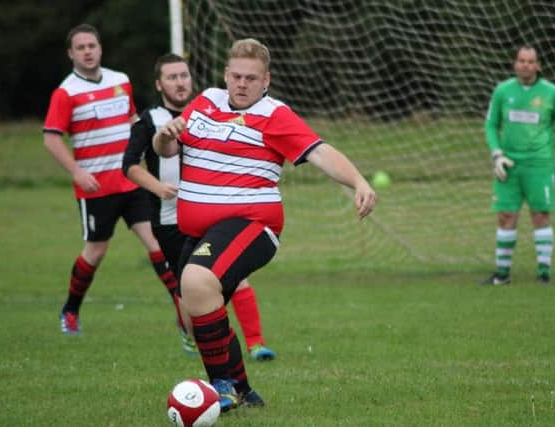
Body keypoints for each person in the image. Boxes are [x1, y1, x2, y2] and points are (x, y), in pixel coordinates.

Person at [152, 38, 376, 412]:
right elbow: (167, 149)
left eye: (251, 78)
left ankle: (221, 386)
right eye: (236, 76)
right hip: (199, 231)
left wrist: (359, 182)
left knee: (196, 282)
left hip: (252, 225)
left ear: (266, 79)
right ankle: (242, 391)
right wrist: (164, 135)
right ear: (226, 75)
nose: (242, 84)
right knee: (194, 312)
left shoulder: (275, 115)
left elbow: (320, 152)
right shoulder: (205, 101)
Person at [122, 53, 276, 360]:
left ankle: (256, 344)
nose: (180, 83)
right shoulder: (150, 119)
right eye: (171, 77)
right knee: (188, 290)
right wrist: (159, 188)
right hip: (170, 220)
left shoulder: (210, 111)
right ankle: (201, 340)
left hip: (215, 214)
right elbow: (130, 165)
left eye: (183, 76)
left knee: (233, 277)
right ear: (159, 84)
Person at [43, 24, 182, 335]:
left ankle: (183, 310)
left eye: (92, 45)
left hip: (132, 182)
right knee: (96, 251)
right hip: (96, 187)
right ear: (71, 54)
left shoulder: (121, 81)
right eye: (80, 48)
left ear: (100, 48)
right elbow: (51, 139)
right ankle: (70, 311)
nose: (88, 52)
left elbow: (134, 122)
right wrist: (78, 171)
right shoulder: (66, 92)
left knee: (156, 242)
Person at [482, 45, 555, 285]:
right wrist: (497, 155)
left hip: (540, 165)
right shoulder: (503, 91)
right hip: (508, 166)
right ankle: (502, 275)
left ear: (537, 65)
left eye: (530, 61)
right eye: (521, 60)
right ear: (515, 63)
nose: (525, 65)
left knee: (540, 216)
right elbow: (491, 125)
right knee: (506, 216)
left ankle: (544, 274)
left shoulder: (551, 93)